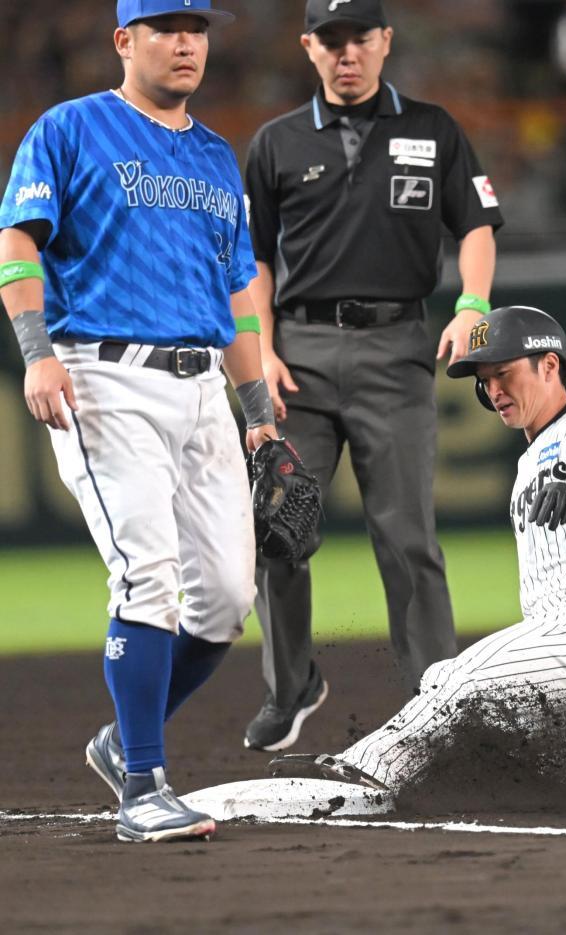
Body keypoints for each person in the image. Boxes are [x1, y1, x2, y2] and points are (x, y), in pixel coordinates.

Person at [0, 0, 278, 843]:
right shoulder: (71, 128)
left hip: (203, 390)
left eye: (198, 27)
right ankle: (144, 785)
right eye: (167, 26)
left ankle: (122, 739)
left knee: (228, 598)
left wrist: (258, 412)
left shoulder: (213, 155)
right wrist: (35, 351)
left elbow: (236, 297)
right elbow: (18, 243)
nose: (188, 41)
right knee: (148, 574)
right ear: (125, 40)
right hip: (101, 373)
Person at [242, 0, 504, 752]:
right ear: (308, 48)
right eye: (331, 40)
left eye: (359, 37)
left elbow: (478, 225)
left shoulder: (433, 128)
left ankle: (438, 702)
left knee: (406, 535)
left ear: (385, 42)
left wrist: (474, 303)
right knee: (276, 527)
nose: (346, 52)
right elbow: (251, 258)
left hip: (396, 346)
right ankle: (289, 686)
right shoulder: (276, 143)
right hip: (300, 354)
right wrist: (260, 345)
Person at [268, 305, 566, 804]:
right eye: (484, 380)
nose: (493, 390)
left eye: (504, 373)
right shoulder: (527, 463)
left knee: (455, 678)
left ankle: (362, 772)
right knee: (484, 740)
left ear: (550, 365)